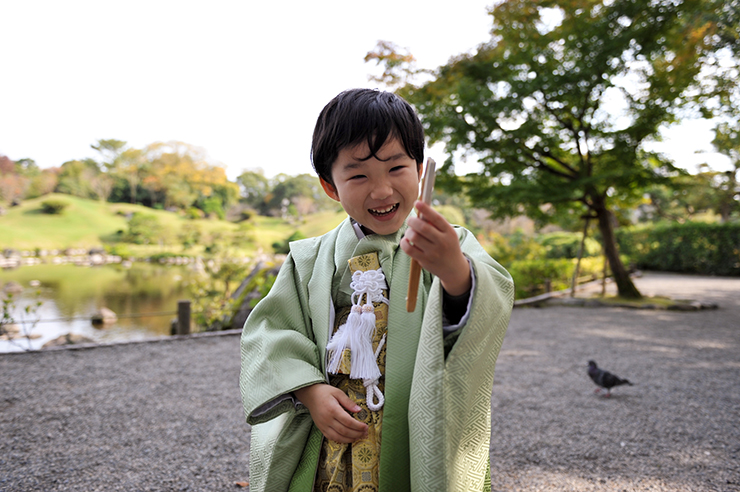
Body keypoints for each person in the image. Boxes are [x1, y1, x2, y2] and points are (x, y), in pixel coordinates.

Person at [240, 88, 514, 492]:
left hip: (413, 425)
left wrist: (455, 270)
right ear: (330, 186)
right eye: (358, 175)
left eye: (396, 168)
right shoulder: (310, 258)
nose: (382, 190)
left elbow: (492, 298)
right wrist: (311, 391)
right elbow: (270, 334)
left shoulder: (451, 244)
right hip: (334, 430)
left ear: (420, 169)